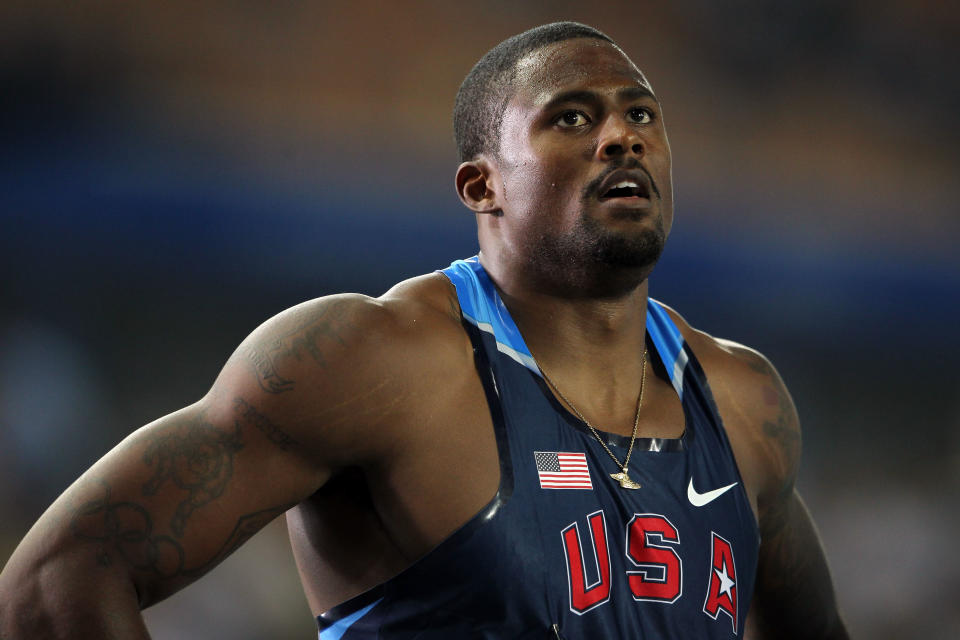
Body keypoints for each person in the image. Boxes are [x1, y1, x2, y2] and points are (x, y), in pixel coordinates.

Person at [0, 22, 848, 639]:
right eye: (574, 118)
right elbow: (56, 580)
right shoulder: (369, 362)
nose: (623, 135)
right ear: (483, 186)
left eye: (643, 116)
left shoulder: (742, 401)